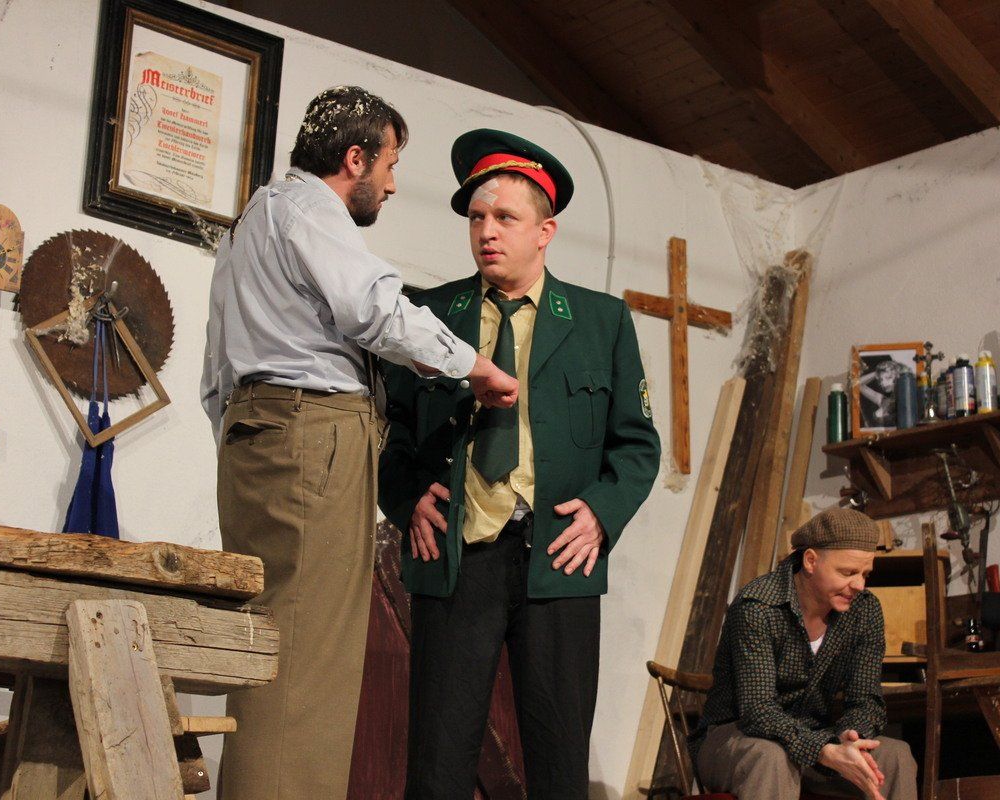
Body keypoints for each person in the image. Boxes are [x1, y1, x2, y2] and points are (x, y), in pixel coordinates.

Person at [200, 88, 517, 800]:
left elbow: (216, 363)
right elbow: (373, 308)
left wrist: (238, 432)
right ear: (354, 159)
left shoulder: (252, 219)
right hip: (313, 435)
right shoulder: (310, 209)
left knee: (267, 641)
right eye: (390, 164)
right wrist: (471, 364)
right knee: (307, 655)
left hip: (255, 435)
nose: (394, 184)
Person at [378, 128, 661, 799]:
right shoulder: (428, 314)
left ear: (545, 231)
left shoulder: (601, 321)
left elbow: (637, 443)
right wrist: (407, 499)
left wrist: (602, 513)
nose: (487, 232)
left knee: (560, 764)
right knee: (438, 763)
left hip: (558, 559)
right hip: (458, 558)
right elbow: (388, 432)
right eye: (477, 217)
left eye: (505, 218)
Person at [690, 508, 916, 800]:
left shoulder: (865, 610)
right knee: (772, 757)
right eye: (847, 572)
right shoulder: (758, 606)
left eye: (865, 574)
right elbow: (758, 712)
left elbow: (866, 700)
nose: (859, 585)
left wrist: (850, 738)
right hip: (736, 738)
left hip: (816, 734)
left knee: (896, 756)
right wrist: (823, 749)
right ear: (810, 560)